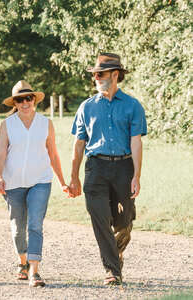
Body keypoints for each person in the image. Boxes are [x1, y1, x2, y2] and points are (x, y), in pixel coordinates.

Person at [69, 53, 147, 285]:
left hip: (123, 167)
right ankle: (112, 269)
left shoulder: (133, 106)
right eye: (94, 74)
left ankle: (116, 253)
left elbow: (136, 142)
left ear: (115, 74)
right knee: (100, 218)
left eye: (100, 73)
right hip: (96, 168)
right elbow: (79, 143)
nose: (96, 77)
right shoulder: (86, 107)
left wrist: (136, 175)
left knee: (123, 223)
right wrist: (73, 176)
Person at [0, 80, 68, 287]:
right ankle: (22, 261)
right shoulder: (7, 125)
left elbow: (53, 153)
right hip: (13, 182)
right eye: (20, 99)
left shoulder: (46, 123)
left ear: (34, 100)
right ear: (15, 104)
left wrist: (62, 181)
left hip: (40, 181)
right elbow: (0, 154)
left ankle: (34, 271)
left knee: (35, 224)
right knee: (18, 226)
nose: (25, 102)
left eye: (28, 98)